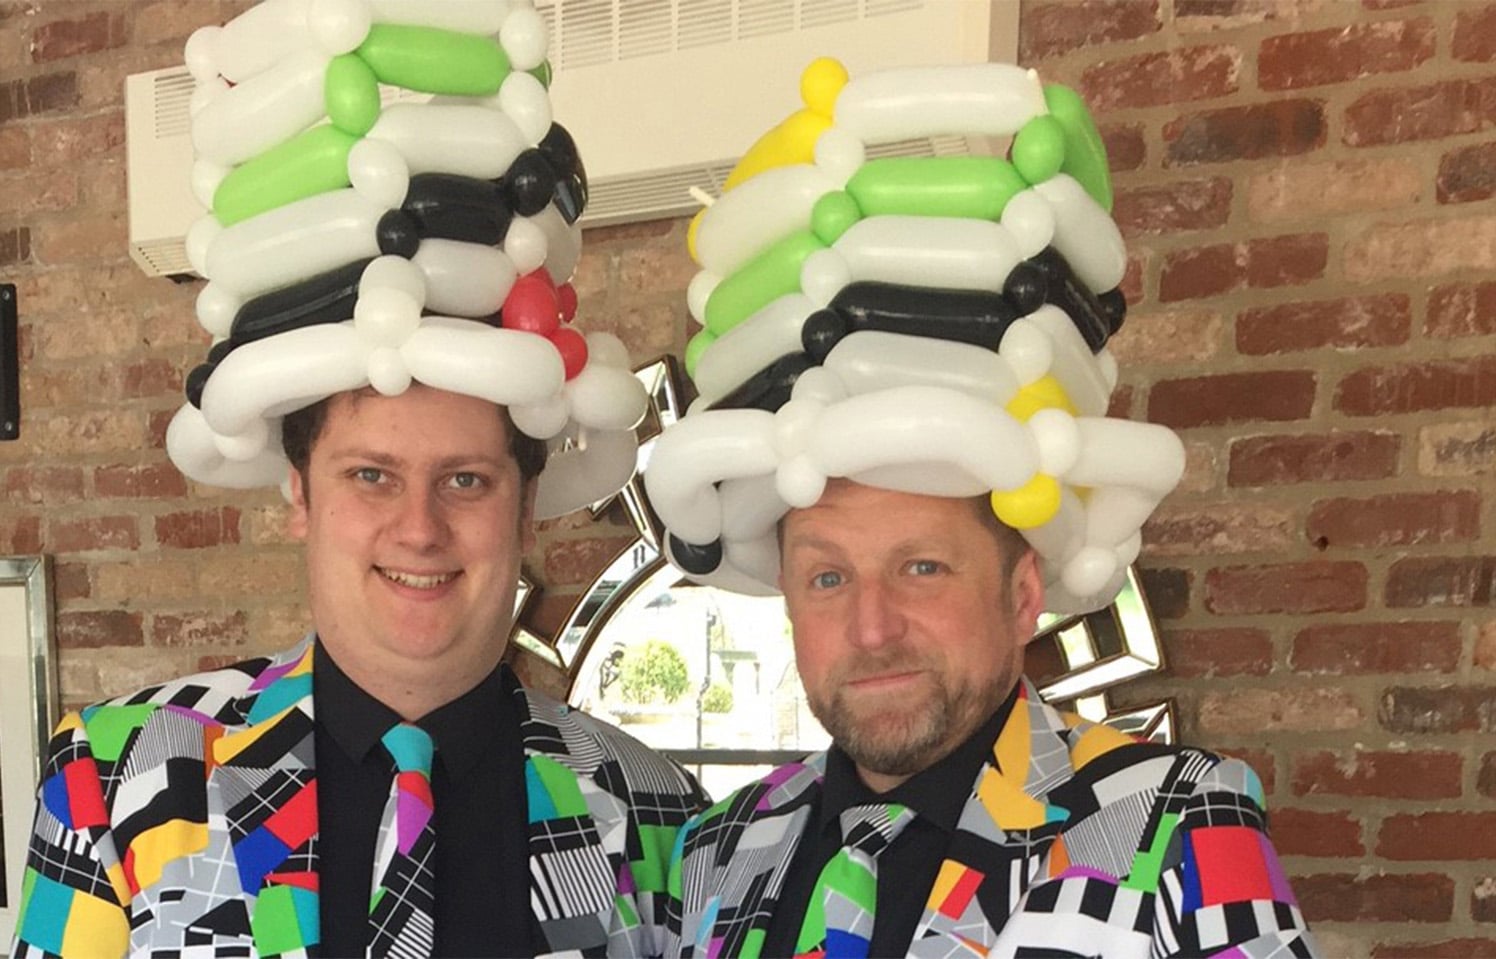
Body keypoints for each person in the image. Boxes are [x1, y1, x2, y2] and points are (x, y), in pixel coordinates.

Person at [9, 384, 707, 959]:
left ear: (525, 511)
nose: (419, 529)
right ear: (300, 496)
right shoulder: (112, 770)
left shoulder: (658, 809)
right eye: (372, 475)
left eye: (465, 480)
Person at [665, 479, 1316, 957]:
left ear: (1022, 596)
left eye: (922, 567)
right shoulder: (715, 845)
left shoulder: (1178, 814)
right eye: (827, 578)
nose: (871, 629)